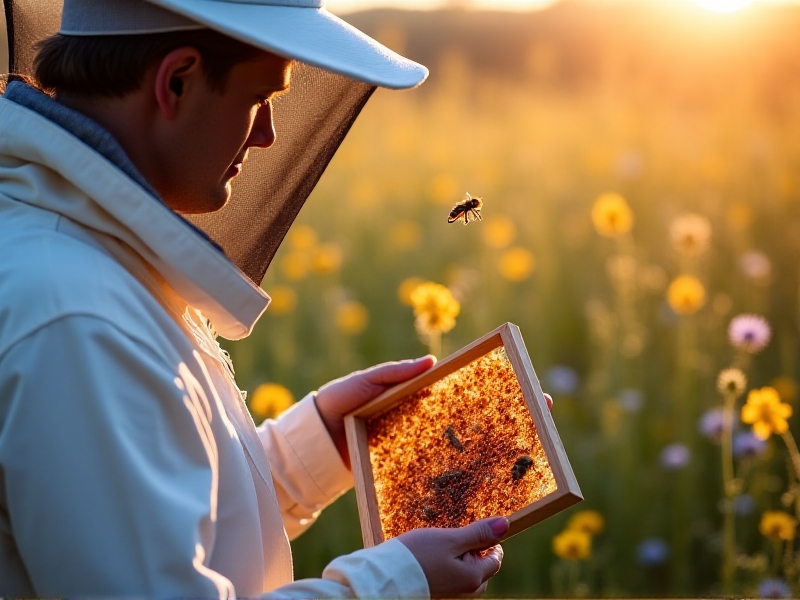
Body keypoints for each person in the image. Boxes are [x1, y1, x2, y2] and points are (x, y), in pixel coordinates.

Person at [0, 0, 553, 596]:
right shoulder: (78, 318)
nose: (266, 136)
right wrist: (392, 584)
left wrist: (316, 445)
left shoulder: (79, 253)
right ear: (177, 80)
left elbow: (147, 509)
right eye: (260, 98)